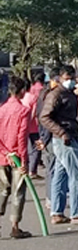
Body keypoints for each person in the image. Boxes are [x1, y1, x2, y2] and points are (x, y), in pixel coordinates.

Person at [40, 65, 78, 224]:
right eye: (67, 78)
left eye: (72, 78)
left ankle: (57, 212)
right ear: (59, 78)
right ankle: (77, 213)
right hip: (63, 138)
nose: (71, 81)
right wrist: (61, 132)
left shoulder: (69, 94)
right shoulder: (56, 95)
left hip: (68, 136)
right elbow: (44, 117)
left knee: (60, 175)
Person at [0, 76, 32, 239]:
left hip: (2, 156)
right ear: (22, 92)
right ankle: (15, 226)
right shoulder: (23, 111)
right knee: (18, 191)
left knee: (2, 190)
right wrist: (23, 161)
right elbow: (22, 137)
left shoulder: (2, 109)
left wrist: (4, 152)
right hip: (17, 155)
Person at [37, 68, 62, 208]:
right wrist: (44, 138)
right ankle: (52, 199)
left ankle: (52, 198)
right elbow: (44, 119)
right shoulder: (50, 96)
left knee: (52, 169)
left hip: (46, 136)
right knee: (53, 169)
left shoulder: (43, 94)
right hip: (50, 136)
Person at [22, 71, 45, 180]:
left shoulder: (23, 96)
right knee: (36, 148)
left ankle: (24, 167)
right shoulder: (35, 95)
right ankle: (32, 171)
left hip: (23, 126)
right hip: (34, 126)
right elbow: (35, 112)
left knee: (25, 147)